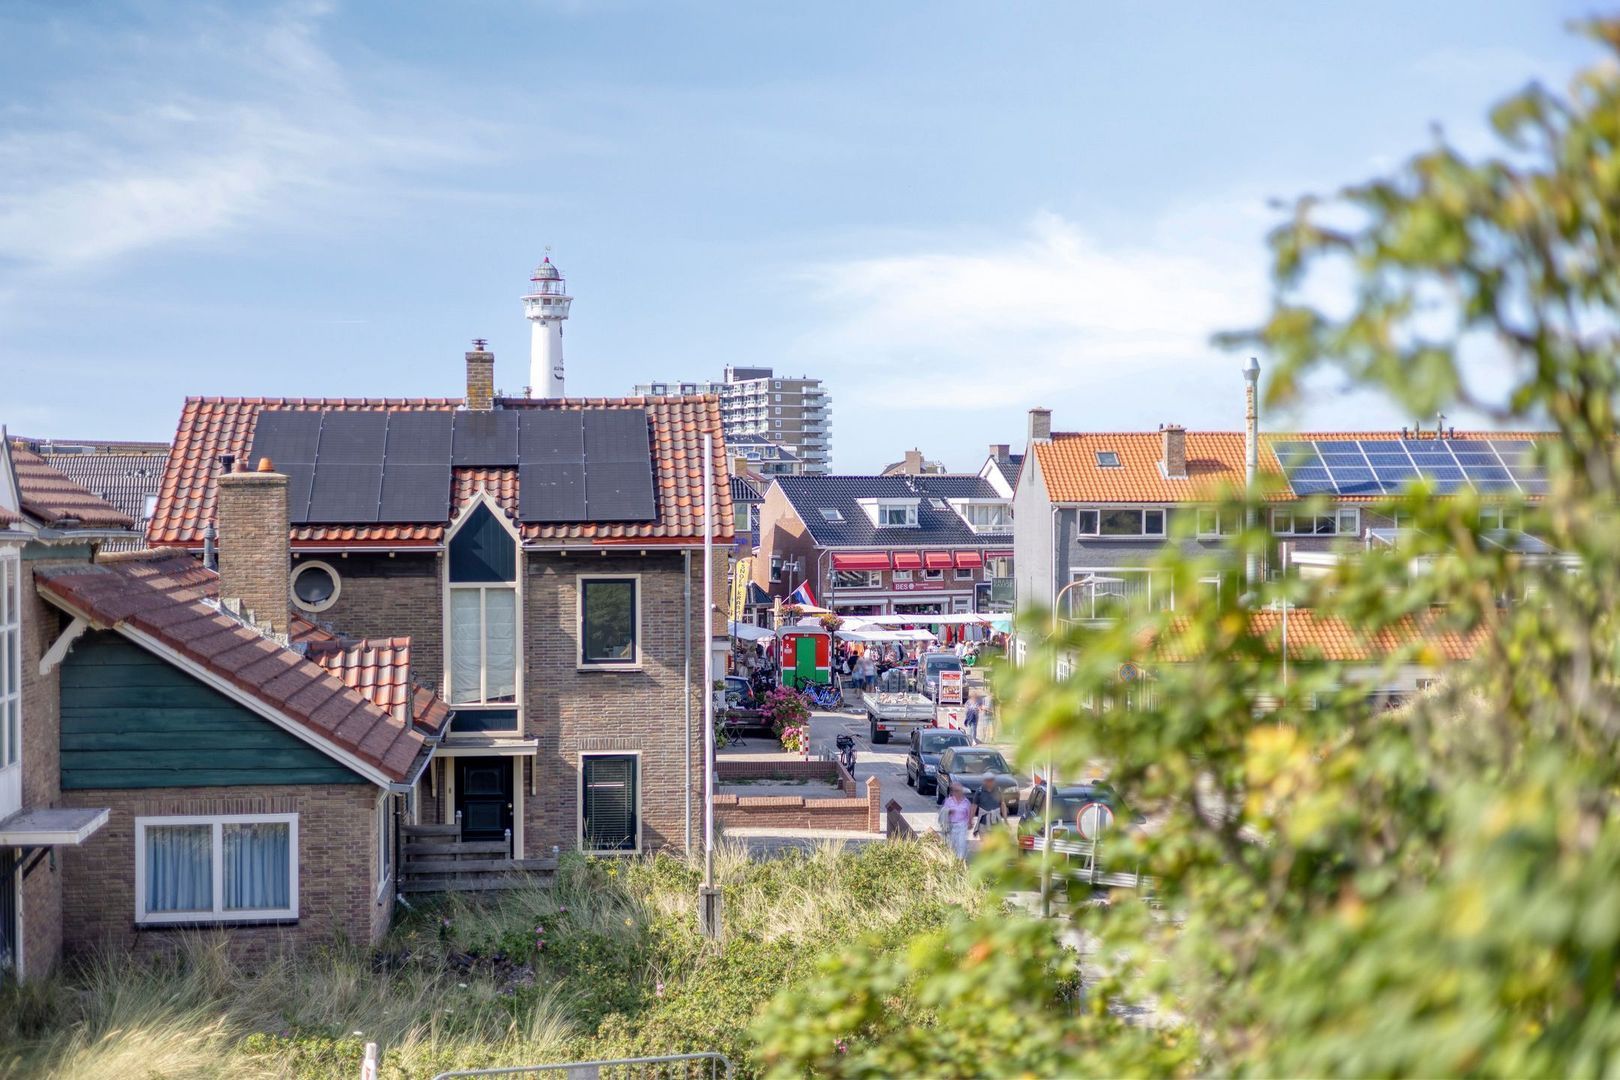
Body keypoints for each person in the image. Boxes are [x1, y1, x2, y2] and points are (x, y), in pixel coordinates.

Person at [939, 782, 973, 859]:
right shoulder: (948, 801)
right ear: (953, 792)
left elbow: (969, 813)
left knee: (961, 844)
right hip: (951, 825)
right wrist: (949, 811)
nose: (958, 792)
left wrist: (970, 822)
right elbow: (943, 813)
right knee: (952, 844)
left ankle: (960, 860)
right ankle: (953, 860)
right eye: (955, 790)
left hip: (962, 825)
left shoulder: (966, 802)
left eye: (959, 791)